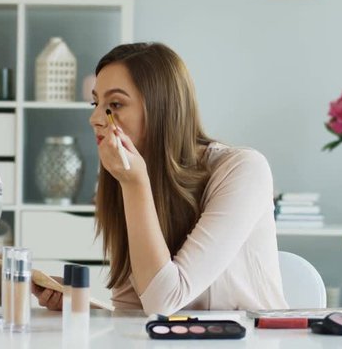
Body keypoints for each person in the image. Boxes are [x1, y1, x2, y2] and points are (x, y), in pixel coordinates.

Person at [32, 42, 288, 315]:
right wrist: (84, 307)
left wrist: (134, 184)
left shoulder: (243, 169)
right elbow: (133, 309)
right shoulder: (127, 175)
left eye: (114, 104)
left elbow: (165, 301)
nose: (95, 117)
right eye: (96, 103)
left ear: (161, 109)